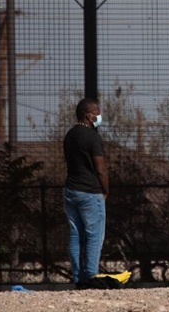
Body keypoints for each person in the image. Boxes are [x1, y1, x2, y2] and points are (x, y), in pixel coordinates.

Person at [63, 97, 109, 285]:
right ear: (89, 115)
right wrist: (105, 190)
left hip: (70, 190)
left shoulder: (69, 136)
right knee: (94, 234)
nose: (99, 116)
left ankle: (77, 277)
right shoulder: (93, 137)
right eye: (97, 113)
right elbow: (100, 168)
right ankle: (91, 277)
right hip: (90, 192)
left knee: (76, 234)